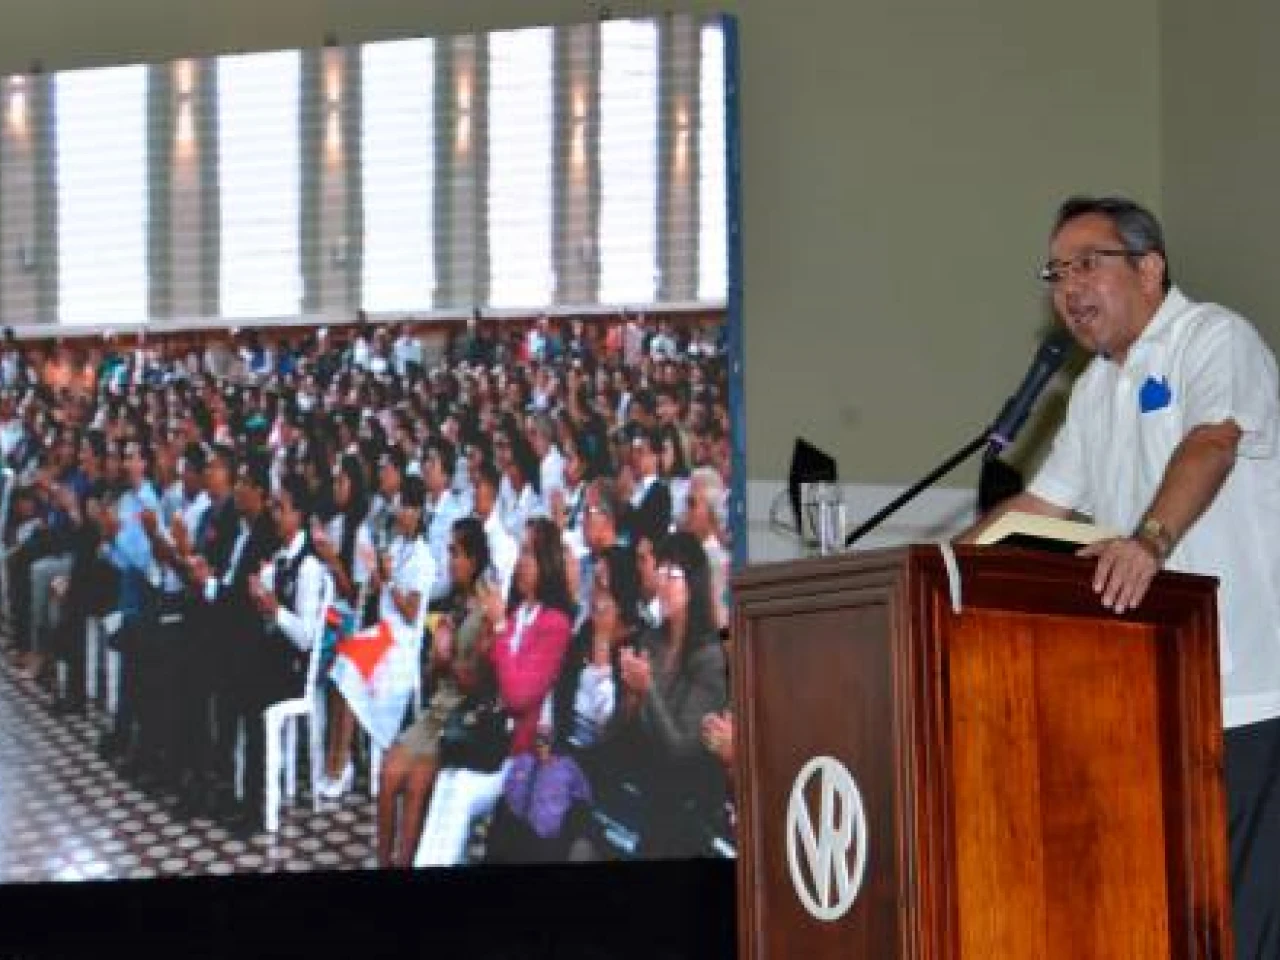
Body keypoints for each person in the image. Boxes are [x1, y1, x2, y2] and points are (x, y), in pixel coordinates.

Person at [962, 195, 1280, 958]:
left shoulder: (1213, 337)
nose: (1069, 287)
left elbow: (1212, 443)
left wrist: (1149, 541)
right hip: (1154, 700)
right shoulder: (1096, 389)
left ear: (1149, 268)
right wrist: (934, 573)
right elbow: (1037, 506)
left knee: (1245, 919)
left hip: (1250, 696)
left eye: (1087, 264)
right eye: (1056, 273)